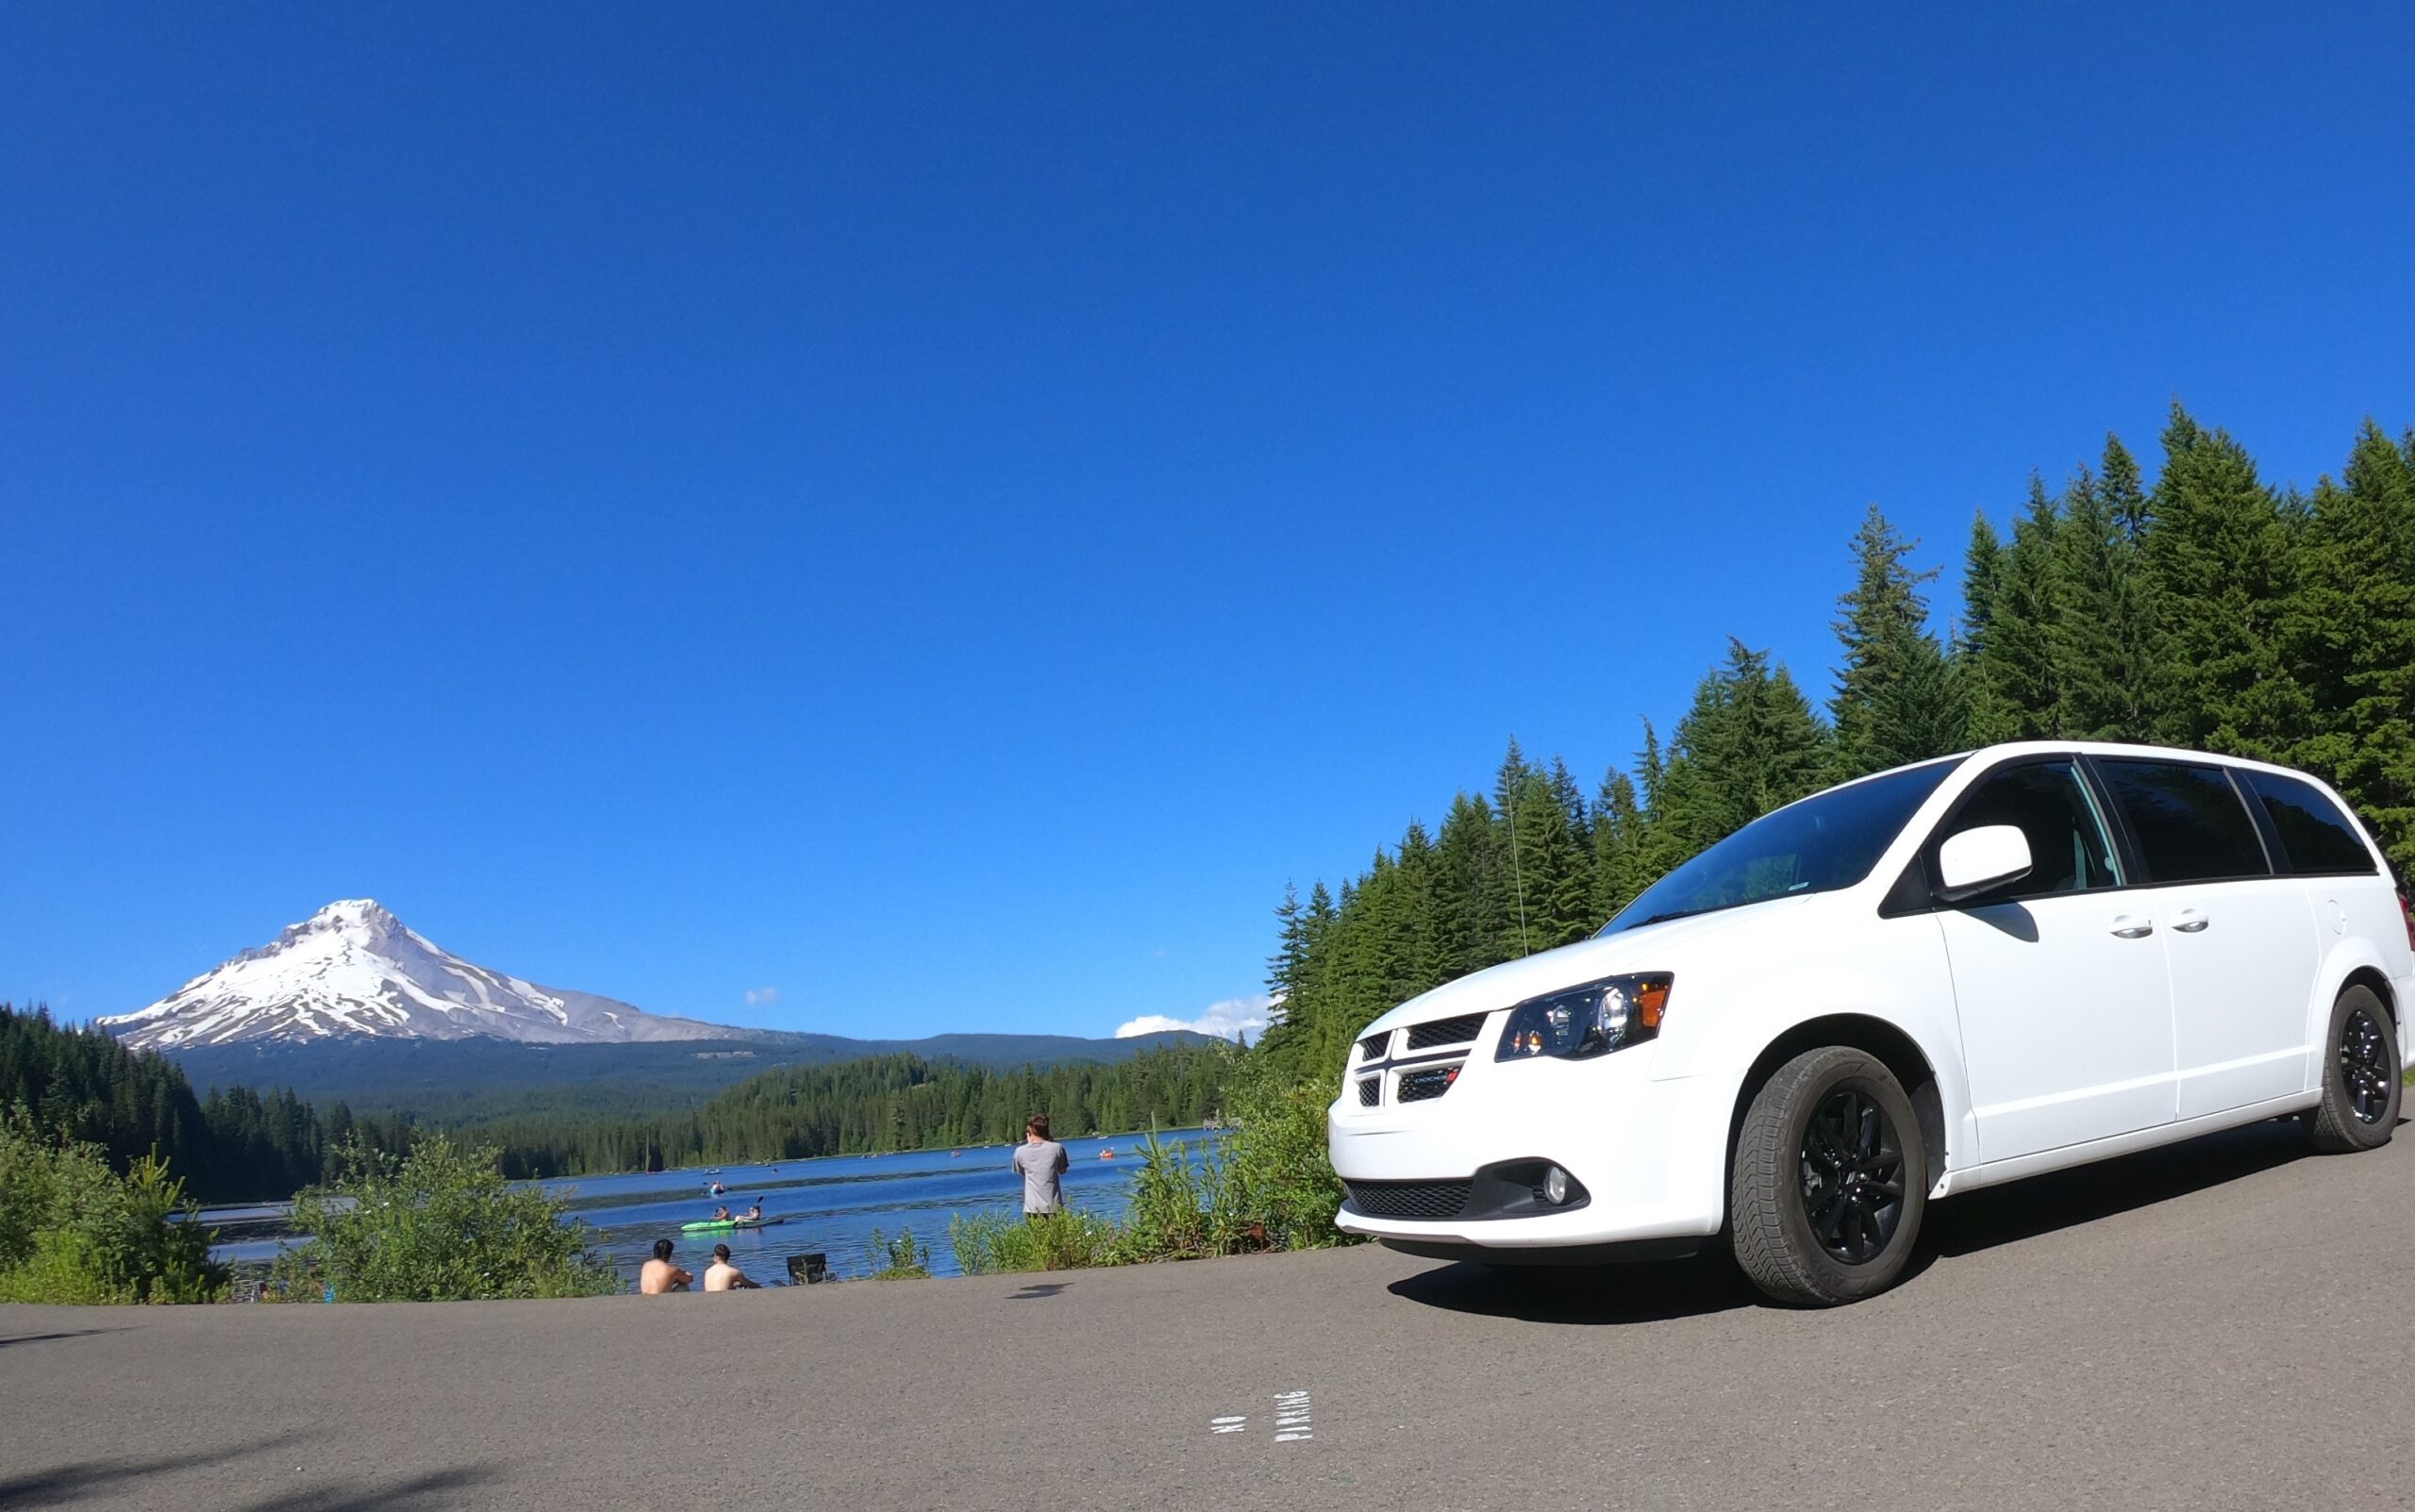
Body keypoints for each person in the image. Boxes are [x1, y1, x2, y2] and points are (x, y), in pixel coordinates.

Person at [1011, 1113, 1070, 1218]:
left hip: (1032, 1207)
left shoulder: (1019, 1151)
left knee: (1036, 1234)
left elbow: (1021, 1172)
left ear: (1029, 1130)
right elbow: (1063, 1170)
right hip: (1053, 1206)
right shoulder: (1057, 1148)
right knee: (1056, 1234)